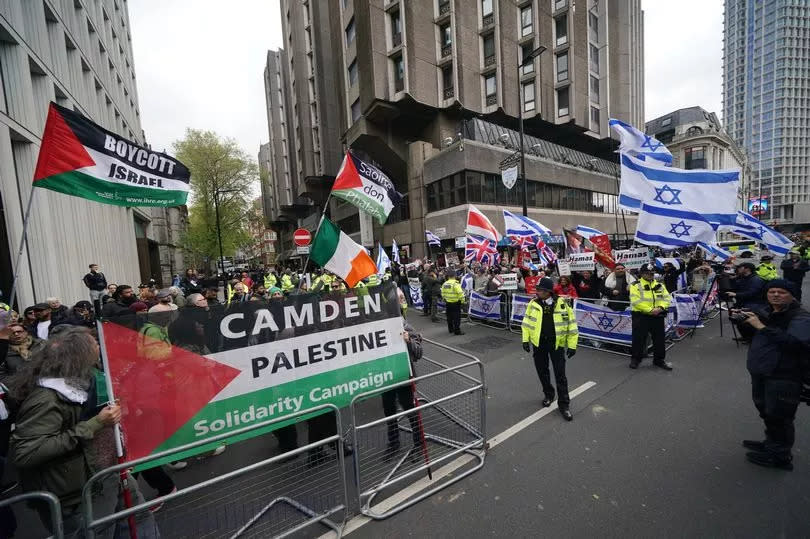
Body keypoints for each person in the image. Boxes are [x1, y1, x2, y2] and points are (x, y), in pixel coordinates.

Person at [9, 327, 158, 537]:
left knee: (140, 522)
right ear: (79, 354)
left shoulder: (90, 381)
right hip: (80, 495)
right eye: (93, 343)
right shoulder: (46, 399)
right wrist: (96, 423)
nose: (99, 346)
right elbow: (26, 453)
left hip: (111, 474)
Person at [734, 279, 810, 470]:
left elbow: (795, 344)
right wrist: (745, 323)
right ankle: (771, 444)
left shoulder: (800, 317)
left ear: (792, 295)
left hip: (783, 374)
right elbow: (756, 337)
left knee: (780, 416)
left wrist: (761, 326)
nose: (775, 295)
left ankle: (780, 457)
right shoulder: (769, 312)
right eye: (772, 292)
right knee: (767, 411)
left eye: (781, 292)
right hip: (762, 372)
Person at [520, 277, 578, 420]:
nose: (537, 292)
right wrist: (525, 340)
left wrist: (572, 345)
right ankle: (548, 394)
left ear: (548, 292)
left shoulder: (562, 304)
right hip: (539, 344)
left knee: (560, 375)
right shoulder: (533, 304)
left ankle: (564, 405)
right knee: (542, 371)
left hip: (556, 345)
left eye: (540, 290)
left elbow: (572, 325)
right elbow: (526, 322)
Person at [382, 320, 423, 458]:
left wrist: (408, 340)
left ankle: (419, 444)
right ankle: (393, 443)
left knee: (411, 412)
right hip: (386, 379)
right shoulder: (376, 329)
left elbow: (419, 353)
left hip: (404, 379)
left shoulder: (405, 326)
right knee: (389, 412)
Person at [628, 263, 673, 370]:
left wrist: (660, 308)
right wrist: (651, 310)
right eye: (647, 273)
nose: (650, 275)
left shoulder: (660, 285)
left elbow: (667, 298)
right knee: (639, 339)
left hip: (657, 315)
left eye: (652, 273)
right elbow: (636, 301)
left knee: (659, 340)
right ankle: (636, 359)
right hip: (641, 316)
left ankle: (659, 360)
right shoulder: (635, 285)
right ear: (642, 274)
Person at [440, 270, 465, 336]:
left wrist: (445, 299)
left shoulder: (445, 284)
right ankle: (457, 331)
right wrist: (462, 301)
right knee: (456, 318)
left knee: (449, 317)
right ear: (455, 276)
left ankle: (450, 329)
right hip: (456, 303)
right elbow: (460, 294)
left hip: (448, 303)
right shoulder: (455, 284)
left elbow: (442, 293)